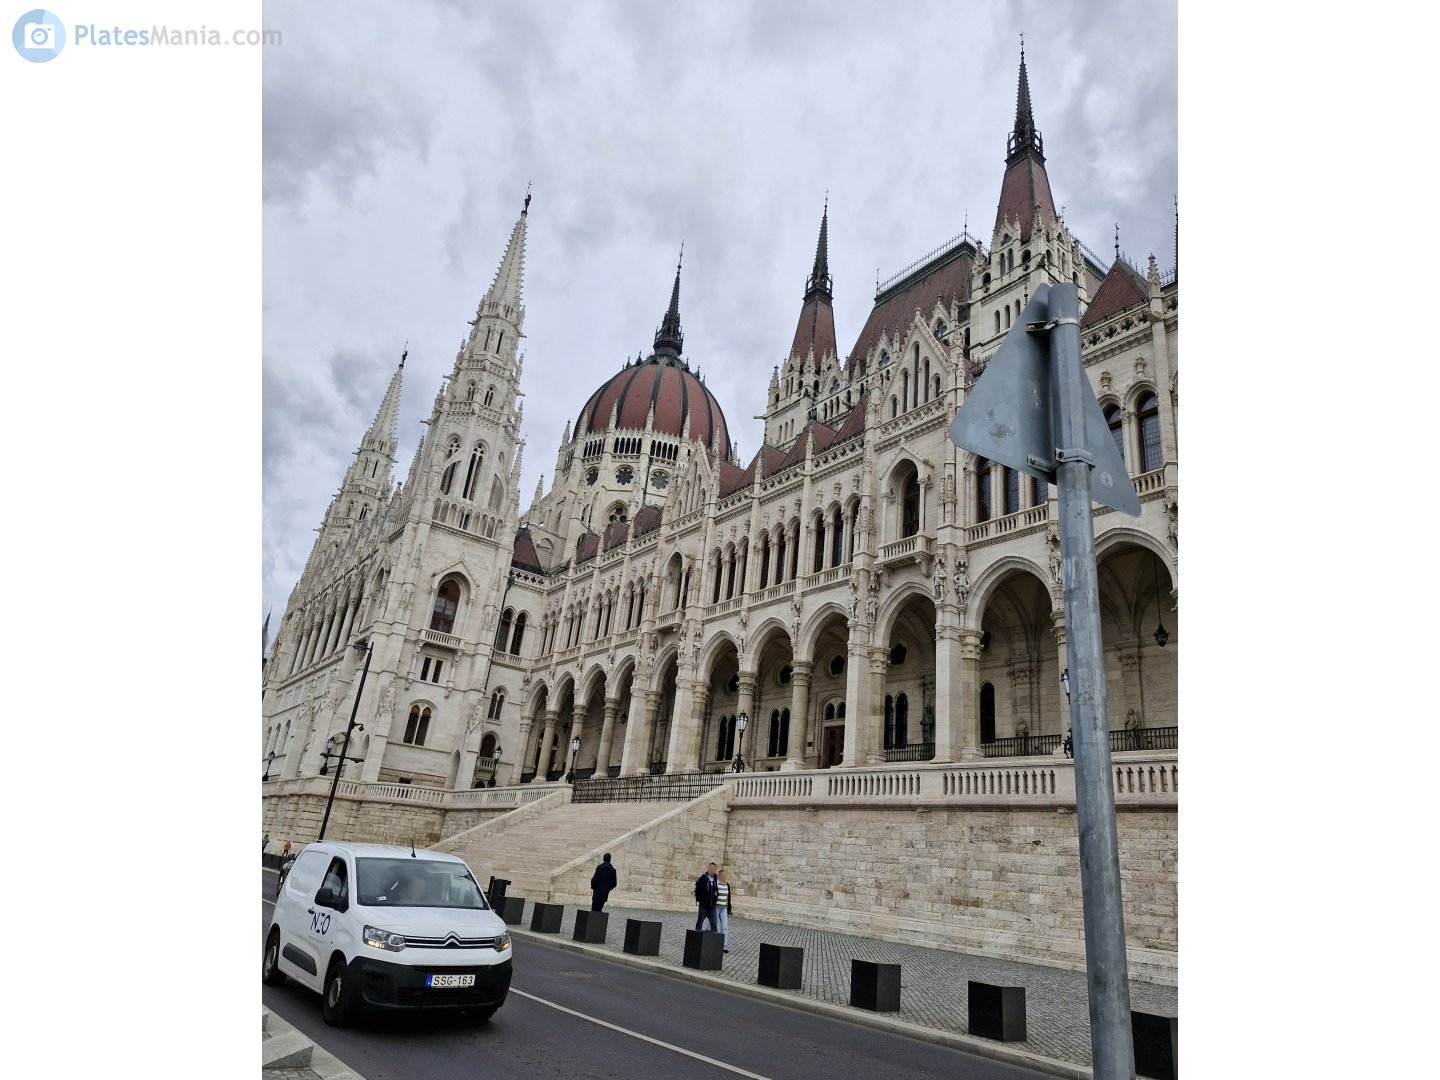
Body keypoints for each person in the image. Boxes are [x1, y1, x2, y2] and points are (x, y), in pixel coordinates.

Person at [693, 861, 719, 932]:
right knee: (699, 923)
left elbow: (716, 890)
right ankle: (697, 937)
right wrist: (701, 900)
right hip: (703, 906)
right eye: (711, 868)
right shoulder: (703, 878)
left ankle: (713, 938)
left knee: (714, 925)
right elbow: (698, 889)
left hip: (712, 907)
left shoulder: (716, 879)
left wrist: (715, 898)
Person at [715, 869, 735, 952]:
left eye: (725, 875)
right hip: (716, 908)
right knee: (712, 926)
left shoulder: (727, 885)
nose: (724, 877)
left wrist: (729, 909)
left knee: (724, 927)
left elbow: (728, 898)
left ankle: (724, 947)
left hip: (724, 908)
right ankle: (709, 942)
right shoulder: (715, 884)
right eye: (722, 875)